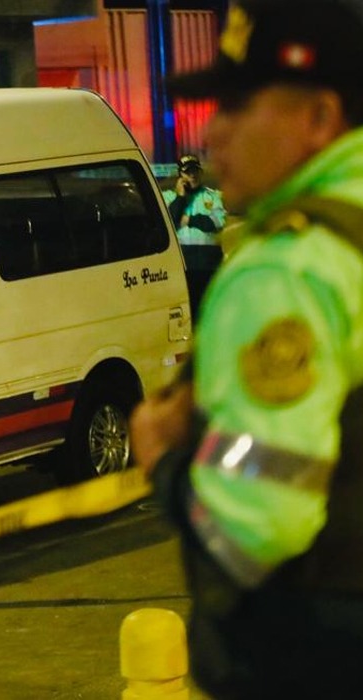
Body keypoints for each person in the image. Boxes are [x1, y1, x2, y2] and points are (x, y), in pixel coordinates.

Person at [130, 0, 363, 697]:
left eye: (236, 106)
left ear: (319, 117)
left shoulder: (287, 270)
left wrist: (172, 463)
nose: (212, 134)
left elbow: (260, 520)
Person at [163, 154, 227, 313]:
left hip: (209, 265)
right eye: (187, 172)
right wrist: (180, 198)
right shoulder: (169, 197)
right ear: (180, 175)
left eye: (195, 171)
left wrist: (189, 219)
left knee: (210, 310)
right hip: (184, 266)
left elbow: (217, 223)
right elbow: (169, 222)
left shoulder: (213, 196)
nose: (192, 175)